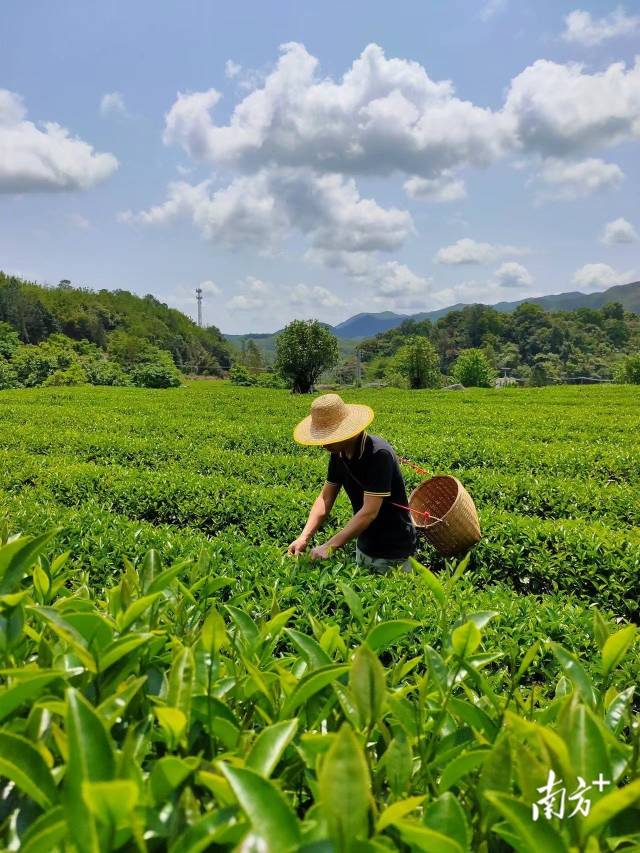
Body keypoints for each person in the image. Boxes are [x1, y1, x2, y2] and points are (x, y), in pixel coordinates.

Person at [288, 393, 417, 573]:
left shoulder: (378, 454)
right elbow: (325, 498)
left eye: (329, 436)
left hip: (393, 549)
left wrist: (329, 546)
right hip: (364, 542)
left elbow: (369, 512)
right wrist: (304, 536)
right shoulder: (338, 454)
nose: (323, 444)